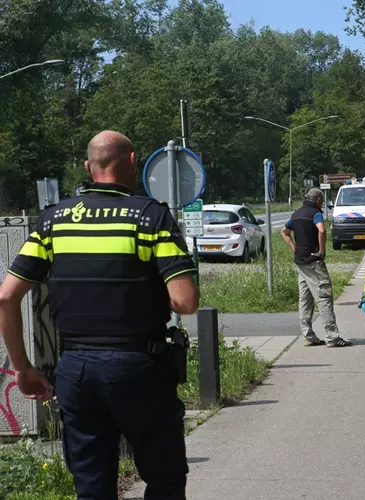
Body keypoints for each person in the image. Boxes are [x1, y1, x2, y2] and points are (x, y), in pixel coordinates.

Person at [0, 130, 200, 499]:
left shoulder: (52, 221)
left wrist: (23, 369)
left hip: (75, 371)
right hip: (140, 367)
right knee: (164, 480)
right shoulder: (151, 218)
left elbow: (6, 297)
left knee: (91, 486)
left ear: (88, 166)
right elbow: (185, 302)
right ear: (133, 161)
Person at [281, 188, 353, 347]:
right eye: (321, 202)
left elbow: (284, 232)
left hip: (300, 262)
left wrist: (295, 248)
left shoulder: (296, 214)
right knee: (324, 296)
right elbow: (321, 229)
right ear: (318, 200)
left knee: (305, 299)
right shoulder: (315, 213)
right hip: (314, 263)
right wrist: (321, 251)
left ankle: (309, 336)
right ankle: (332, 337)